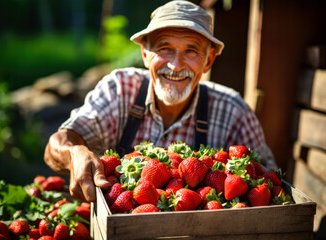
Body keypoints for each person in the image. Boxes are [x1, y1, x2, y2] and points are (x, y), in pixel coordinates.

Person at [44, 0, 276, 202]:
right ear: (146, 54)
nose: (176, 66)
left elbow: (268, 185)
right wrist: (74, 153)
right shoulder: (120, 90)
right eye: (165, 48)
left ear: (209, 60)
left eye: (191, 51)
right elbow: (60, 141)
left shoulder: (234, 113)